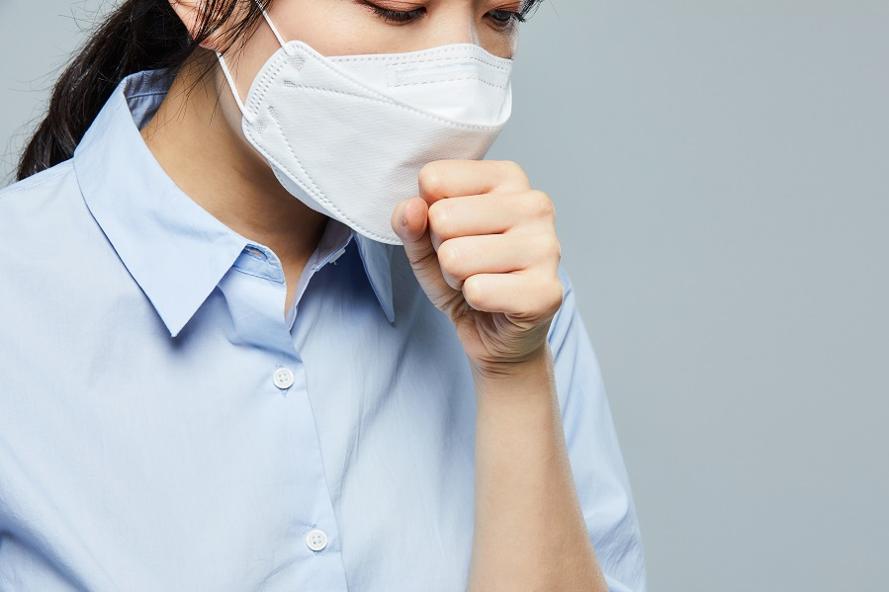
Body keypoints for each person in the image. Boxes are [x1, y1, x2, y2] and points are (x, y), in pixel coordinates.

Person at [0, 1, 646, 590]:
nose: (456, 72)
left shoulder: (508, 294)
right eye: (399, 7)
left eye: (500, 15)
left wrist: (514, 373)